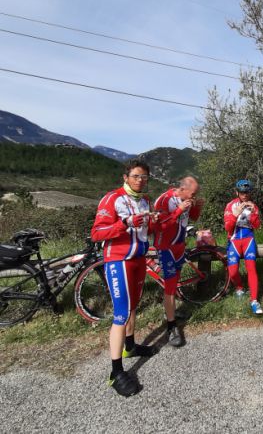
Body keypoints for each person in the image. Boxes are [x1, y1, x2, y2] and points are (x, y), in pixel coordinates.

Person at [91, 159, 157, 397]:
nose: (140, 180)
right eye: (136, 176)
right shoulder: (112, 199)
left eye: (144, 177)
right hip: (119, 261)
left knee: (133, 306)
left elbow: (145, 231)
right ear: (126, 177)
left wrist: (153, 223)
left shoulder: (145, 201)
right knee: (121, 314)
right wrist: (124, 223)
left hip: (139, 259)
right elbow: (97, 233)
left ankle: (130, 346)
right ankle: (115, 373)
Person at [154, 176, 203, 347]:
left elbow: (194, 218)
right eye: (193, 194)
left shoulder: (187, 199)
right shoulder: (164, 200)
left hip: (179, 246)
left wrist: (197, 206)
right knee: (169, 286)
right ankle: (171, 326)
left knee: (174, 283)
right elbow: (159, 226)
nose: (194, 196)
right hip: (165, 247)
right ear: (182, 189)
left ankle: (171, 312)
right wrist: (178, 210)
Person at [224, 179, 263, 315]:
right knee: (233, 272)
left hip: (248, 240)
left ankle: (254, 300)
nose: (245, 195)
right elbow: (227, 228)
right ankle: (239, 288)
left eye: (247, 192)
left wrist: (253, 214)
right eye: (242, 192)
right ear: (237, 193)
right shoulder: (230, 205)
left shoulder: (253, 206)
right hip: (234, 240)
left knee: (251, 269)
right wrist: (235, 214)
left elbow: (257, 226)